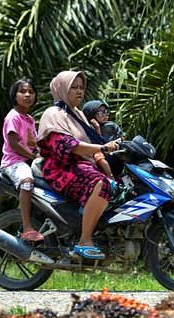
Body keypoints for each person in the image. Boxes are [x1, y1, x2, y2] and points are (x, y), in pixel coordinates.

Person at [37, 71, 120, 260]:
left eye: (82, 87)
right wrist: (102, 147)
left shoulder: (78, 115)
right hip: (61, 168)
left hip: (81, 165)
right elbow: (68, 146)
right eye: (74, 87)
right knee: (102, 184)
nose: (79, 91)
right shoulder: (53, 114)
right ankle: (84, 240)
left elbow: (94, 142)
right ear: (62, 89)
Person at [0, 78, 44, 242]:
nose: (27, 95)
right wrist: (33, 156)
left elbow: (33, 142)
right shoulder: (14, 117)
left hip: (28, 162)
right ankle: (26, 228)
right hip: (14, 162)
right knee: (27, 182)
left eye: (31, 92)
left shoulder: (30, 119)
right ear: (14, 95)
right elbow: (14, 143)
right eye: (23, 91)